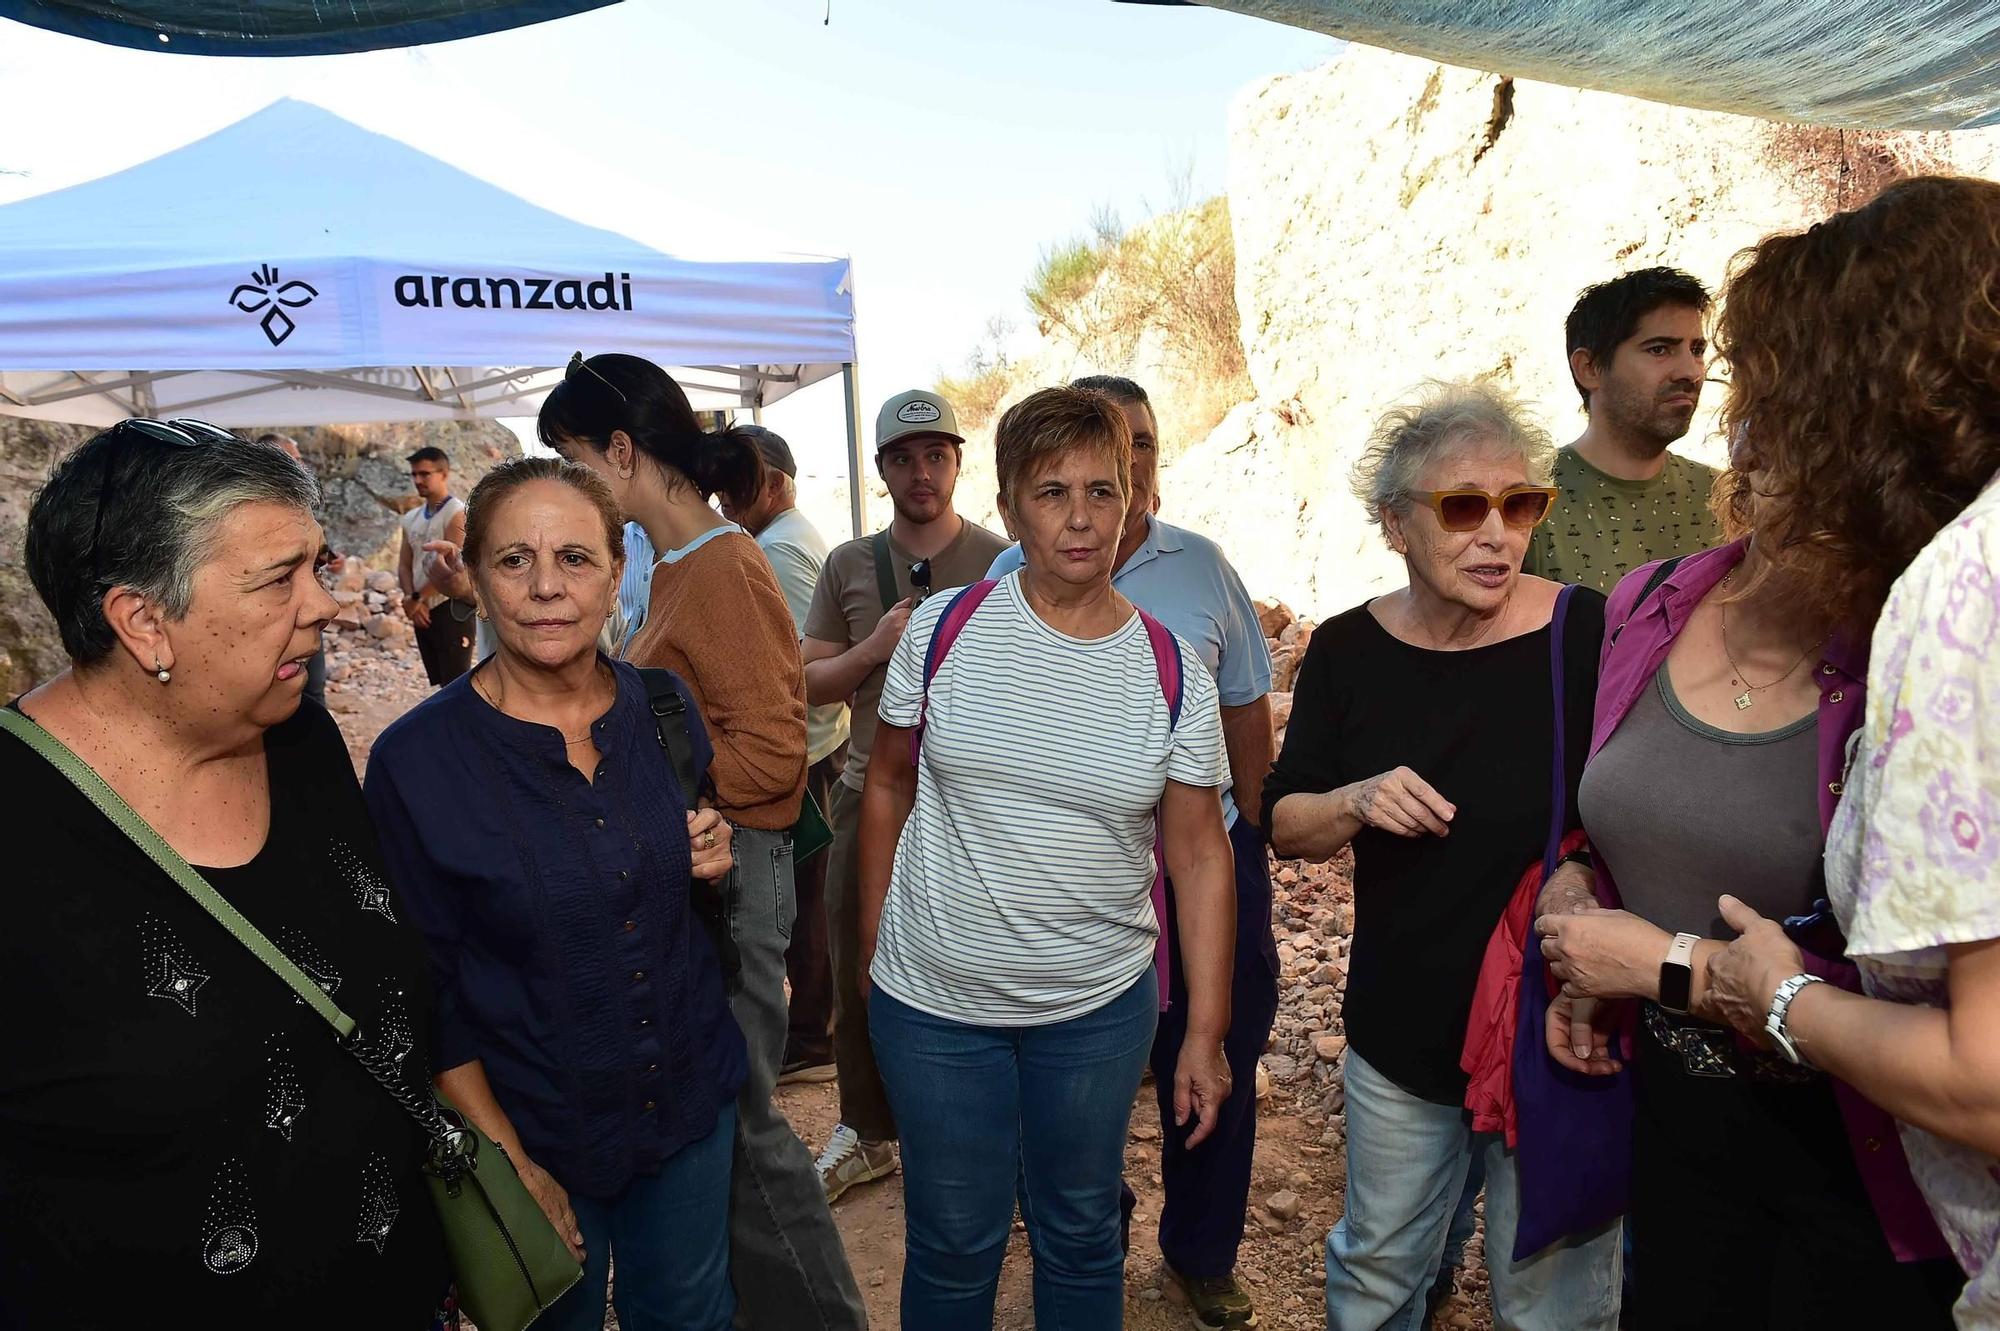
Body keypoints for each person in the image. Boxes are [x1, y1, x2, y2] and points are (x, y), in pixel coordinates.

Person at [1538, 176, 2000, 1328]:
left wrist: (1680, 969)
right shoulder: (1648, 604)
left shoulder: (1939, 615)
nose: (1728, 411)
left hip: (1866, 1168)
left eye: (1753, 381)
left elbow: (1977, 1070)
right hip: (1678, 1132)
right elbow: (1606, 800)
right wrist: (1578, 881)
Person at [0, 420, 449, 1327]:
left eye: (317, 566)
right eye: (278, 578)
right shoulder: (20, 826)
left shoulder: (303, 743)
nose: (323, 604)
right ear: (142, 621)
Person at [858, 384, 1236, 1328]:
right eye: (1052, 491)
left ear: (1133, 498)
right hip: (935, 1004)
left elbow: (1198, 856)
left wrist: (1204, 1032)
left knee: (1078, 1233)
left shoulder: (1170, 666)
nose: (1080, 517)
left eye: (1103, 491)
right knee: (953, 1239)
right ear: (1009, 505)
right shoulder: (944, 631)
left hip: (1094, 1011)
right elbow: (887, 784)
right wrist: (875, 948)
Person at [1264, 381, 1620, 1331]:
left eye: (1521, 504)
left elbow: (1634, 806)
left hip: (1554, 1025)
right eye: (1464, 507)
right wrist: (1356, 797)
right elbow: (1283, 820)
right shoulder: (1347, 648)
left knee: (1550, 1301)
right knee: (1381, 1274)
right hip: (1404, 1032)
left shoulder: (1584, 633)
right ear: (1396, 524)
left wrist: (1584, 869)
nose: (1497, 533)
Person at [364, 457, 744, 1331]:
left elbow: (674, 865)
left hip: (687, 1104)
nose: (545, 587)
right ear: (473, 576)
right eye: (513, 560)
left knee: (690, 1315)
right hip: (528, 1129)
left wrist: (708, 851)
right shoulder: (417, 762)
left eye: (575, 559)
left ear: (617, 572)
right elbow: (425, 989)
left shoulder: (663, 709)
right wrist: (509, 1159)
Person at [537, 353, 865, 1331]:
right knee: (721, 1135)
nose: (567, 482)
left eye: (572, 458)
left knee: (742, 1137)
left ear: (622, 450)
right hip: (711, 877)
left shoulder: (720, 565)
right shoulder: (685, 562)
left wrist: (630, 768)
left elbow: (770, 753)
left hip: (736, 878)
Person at [987, 375, 1277, 1328]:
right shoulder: (1003, 581)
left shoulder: (1207, 569)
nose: (1135, 467)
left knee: (1214, 1048)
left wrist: (1252, 842)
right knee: (1074, 1061)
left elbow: (1244, 716)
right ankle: (1089, 1232)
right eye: (1119, 451)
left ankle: (1201, 1255)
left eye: (1144, 446)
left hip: (1202, 857)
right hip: (1079, 872)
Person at [800, 388, 1010, 1202]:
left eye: (936, 455)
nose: (921, 472)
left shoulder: (1003, 558)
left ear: (958, 461)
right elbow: (809, 679)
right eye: (903, 458)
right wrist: (873, 649)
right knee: (859, 954)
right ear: (883, 468)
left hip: (973, 802)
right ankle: (867, 1125)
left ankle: (974, 1125)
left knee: (981, 960)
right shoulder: (850, 564)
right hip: (867, 791)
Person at [720, 424, 853, 1085]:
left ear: (771, 484)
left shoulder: (776, 549)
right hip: (808, 747)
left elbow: (800, 665)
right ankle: (812, 1031)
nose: (721, 501)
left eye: (733, 487)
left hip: (806, 753)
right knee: (803, 896)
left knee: (805, 900)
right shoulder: (781, 539)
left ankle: (813, 1037)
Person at [1522, 267, 1723, 594]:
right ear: (1589, 368)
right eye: (1660, 349)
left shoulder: (1727, 499)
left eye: (1697, 350)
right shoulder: (1527, 504)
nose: (1691, 372)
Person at [256, 432, 344, 709]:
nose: (302, 467)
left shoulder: (300, 509)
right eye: (293, 460)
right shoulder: (246, 520)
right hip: (275, 625)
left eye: (301, 460)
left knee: (312, 691)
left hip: (302, 621)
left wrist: (327, 558)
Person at [398, 446, 476, 687]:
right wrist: (411, 599)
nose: (418, 480)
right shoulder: (411, 517)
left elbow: (453, 567)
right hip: (421, 607)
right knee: (440, 682)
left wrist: (417, 597)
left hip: (450, 606)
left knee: (456, 682)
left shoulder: (456, 512)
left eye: (424, 474)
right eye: (414, 474)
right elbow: (404, 563)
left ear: (443, 474)